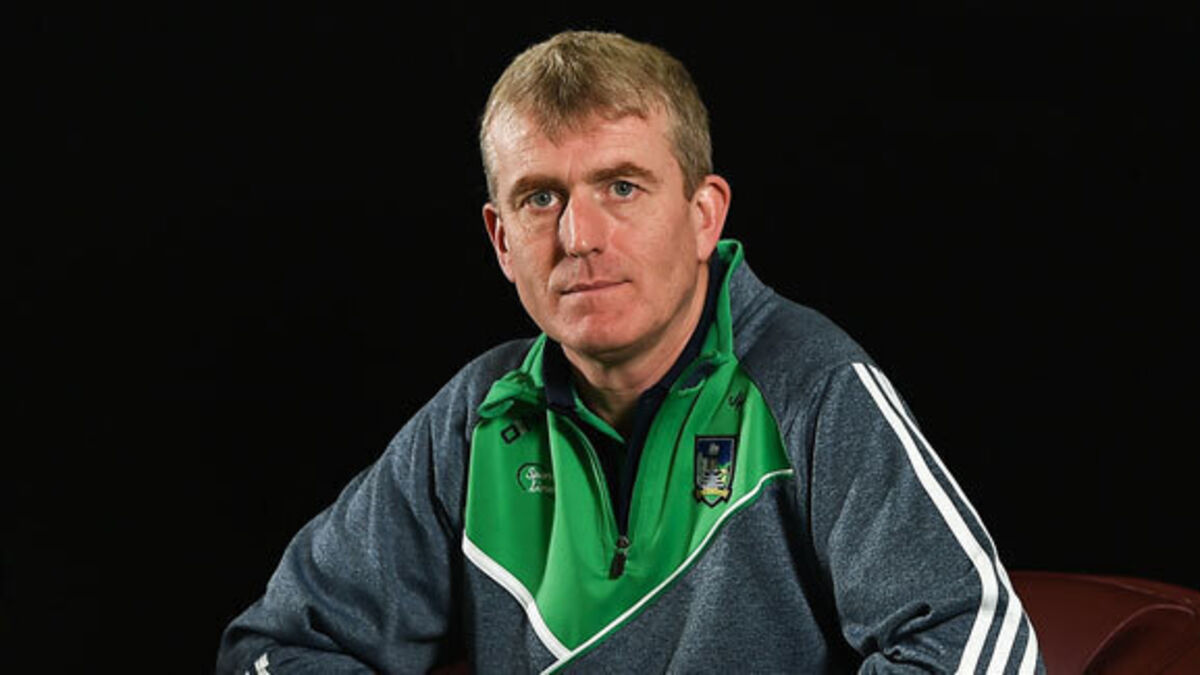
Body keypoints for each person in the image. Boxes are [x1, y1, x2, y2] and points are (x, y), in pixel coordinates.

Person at [218, 31, 1044, 673]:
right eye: (540, 198)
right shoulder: (476, 420)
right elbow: (275, 646)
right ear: (501, 240)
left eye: (621, 186)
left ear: (703, 214)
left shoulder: (813, 389)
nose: (579, 236)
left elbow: (977, 650)